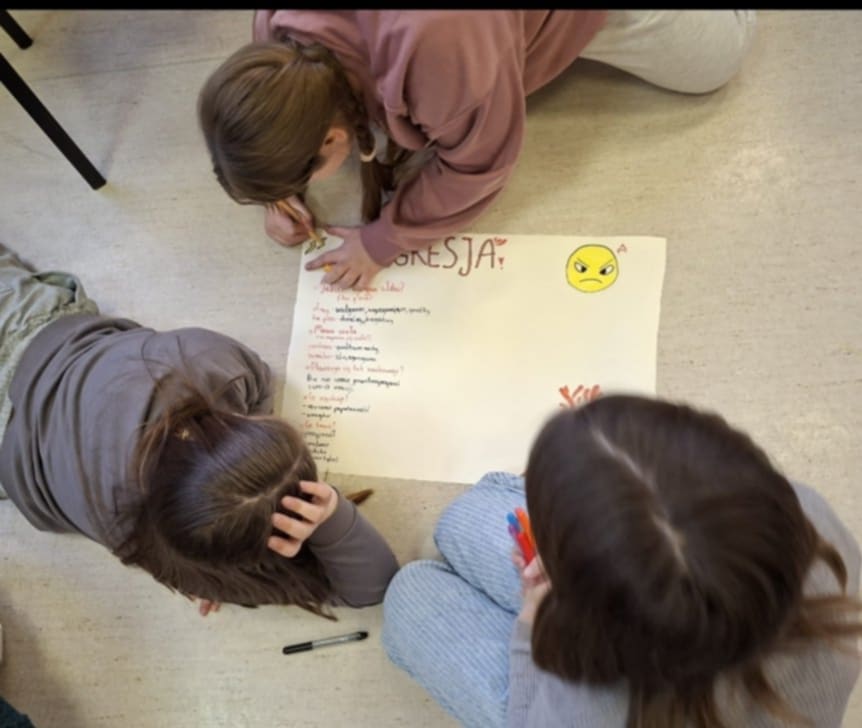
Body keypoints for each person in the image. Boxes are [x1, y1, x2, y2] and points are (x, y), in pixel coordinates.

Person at [381, 394, 862, 727]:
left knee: (409, 595)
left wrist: (534, 624)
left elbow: (536, 717)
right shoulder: (809, 517)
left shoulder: (592, 707)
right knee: (466, 515)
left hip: (590, 682)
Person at [198, 10, 757, 290]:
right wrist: (281, 196)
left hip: (475, 32)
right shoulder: (277, 27)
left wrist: (382, 241)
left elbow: (478, 164)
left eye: (307, 177)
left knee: (719, 57)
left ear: (332, 139)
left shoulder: (439, 52)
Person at [0, 243, 399, 617]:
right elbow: (369, 588)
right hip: (21, 409)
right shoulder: (137, 537)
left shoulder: (206, 361)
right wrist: (333, 520)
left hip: (37, 334)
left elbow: (257, 381)